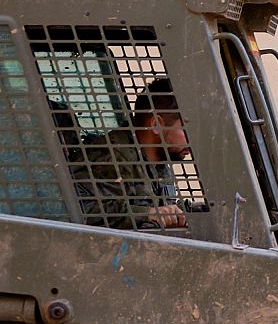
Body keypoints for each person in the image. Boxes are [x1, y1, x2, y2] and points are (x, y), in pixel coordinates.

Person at [74, 80, 198, 230]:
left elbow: (158, 207)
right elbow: (81, 210)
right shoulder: (111, 156)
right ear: (156, 124)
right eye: (186, 129)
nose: (194, 140)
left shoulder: (159, 163)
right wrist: (147, 214)